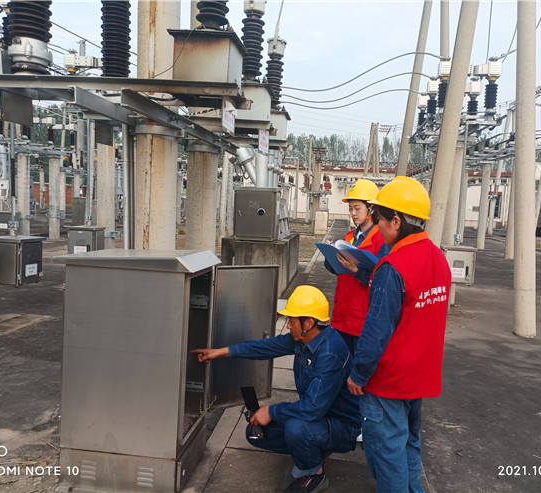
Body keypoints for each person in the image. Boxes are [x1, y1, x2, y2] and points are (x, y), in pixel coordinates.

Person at [192, 285, 360, 493]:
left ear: (309, 322)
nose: (288, 325)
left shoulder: (329, 353)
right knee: (258, 433)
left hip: (342, 426)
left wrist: (272, 411)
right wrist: (221, 352)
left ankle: (314, 474)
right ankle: (314, 450)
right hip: (320, 416)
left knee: (296, 429)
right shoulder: (304, 338)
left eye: (291, 320)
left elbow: (312, 409)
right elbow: (264, 347)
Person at [346, 177, 452, 493]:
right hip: (419, 375)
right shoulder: (438, 258)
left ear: (396, 221)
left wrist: (359, 373)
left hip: (388, 381)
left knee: (386, 453)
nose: (377, 228)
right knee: (409, 443)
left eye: (379, 220)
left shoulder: (392, 267)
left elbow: (376, 331)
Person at [324, 178, 385, 356]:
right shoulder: (350, 236)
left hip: (361, 320)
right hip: (341, 314)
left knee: (357, 366)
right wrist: (330, 255)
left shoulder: (380, 239)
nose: (353, 213)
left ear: (371, 209)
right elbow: (339, 271)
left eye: (357, 208)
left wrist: (359, 272)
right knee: (339, 364)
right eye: (350, 208)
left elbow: (382, 279)